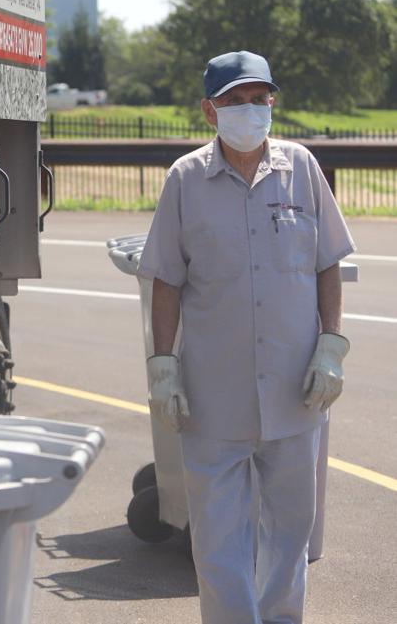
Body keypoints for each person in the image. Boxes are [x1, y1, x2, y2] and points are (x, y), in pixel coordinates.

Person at [138, 50, 354, 624]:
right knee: (217, 544)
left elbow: (327, 262)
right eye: (236, 101)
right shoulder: (185, 179)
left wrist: (332, 345)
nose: (251, 111)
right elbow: (165, 280)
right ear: (210, 110)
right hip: (213, 396)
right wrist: (163, 367)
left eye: (260, 99)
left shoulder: (301, 168)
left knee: (290, 538)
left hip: (294, 390)